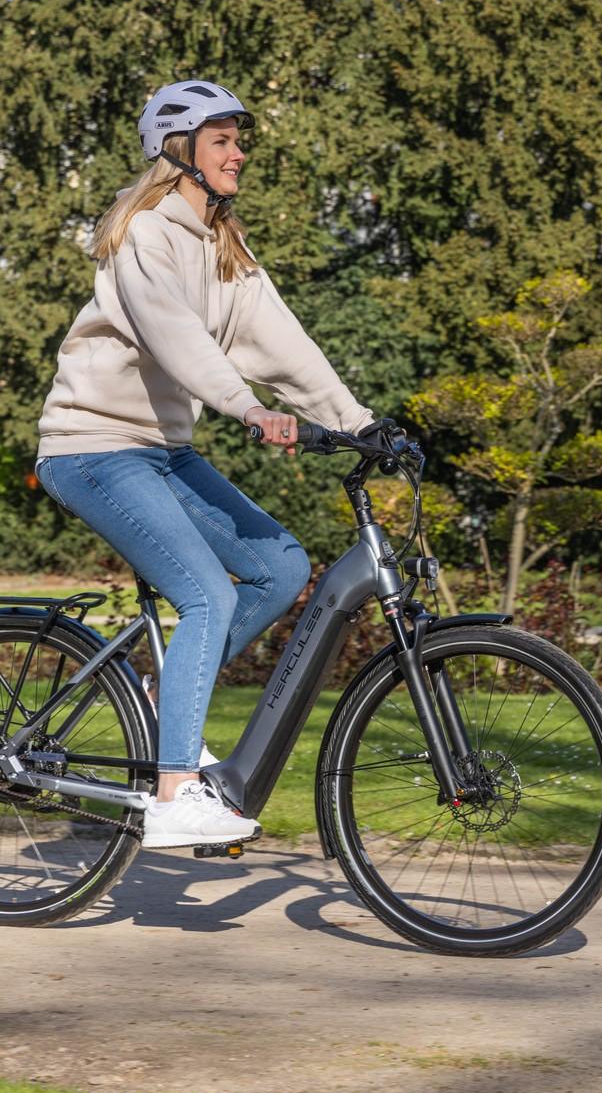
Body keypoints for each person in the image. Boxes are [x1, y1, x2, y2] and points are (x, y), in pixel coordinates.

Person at [33, 80, 375, 849]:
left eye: (238, 139)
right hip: (92, 447)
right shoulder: (143, 234)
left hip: (162, 452)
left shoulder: (223, 245)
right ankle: (173, 792)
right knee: (206, 596)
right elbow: (174, 336)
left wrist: (359, 422)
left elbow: (282, 343)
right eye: (222, 140)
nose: (238, 152)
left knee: (280, 566)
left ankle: (161, 710)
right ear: (179, 150)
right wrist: (245, 407)